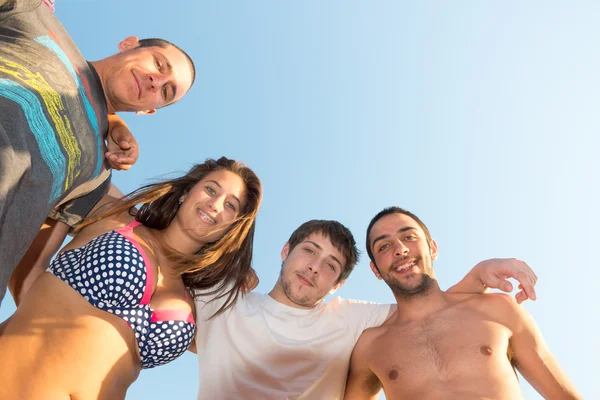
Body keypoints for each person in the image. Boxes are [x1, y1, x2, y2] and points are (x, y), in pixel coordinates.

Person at [0, 157, 262, 400]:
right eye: (211, 190)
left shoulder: (196, 304)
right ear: (185, 193)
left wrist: (234, 272)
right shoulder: (116, 217)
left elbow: (248, 352)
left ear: (233, 226)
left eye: (231, 206)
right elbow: (73, 162)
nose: (215, 205)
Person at [193, 219, 538, 399]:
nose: (315, 267)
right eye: (309, 251)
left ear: (338, 284)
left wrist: (477, 275)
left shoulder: (347, 318)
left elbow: (424, 309)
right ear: (286, 250)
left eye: (331, 265)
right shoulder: (222, 304)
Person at [0, 0, 196, 306]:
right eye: (159, 64)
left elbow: (28, 273)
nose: (156, 80)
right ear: (129, 44)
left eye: (166, 91)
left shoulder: (97, 172)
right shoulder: (36, 18)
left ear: (149, 110)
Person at [344, 207, 580, 400]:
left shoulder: (499, 310)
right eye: (384, 246)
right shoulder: (370, 347)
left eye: (409, 237)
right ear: (375, 269)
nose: (400, 249)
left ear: (433, 248)